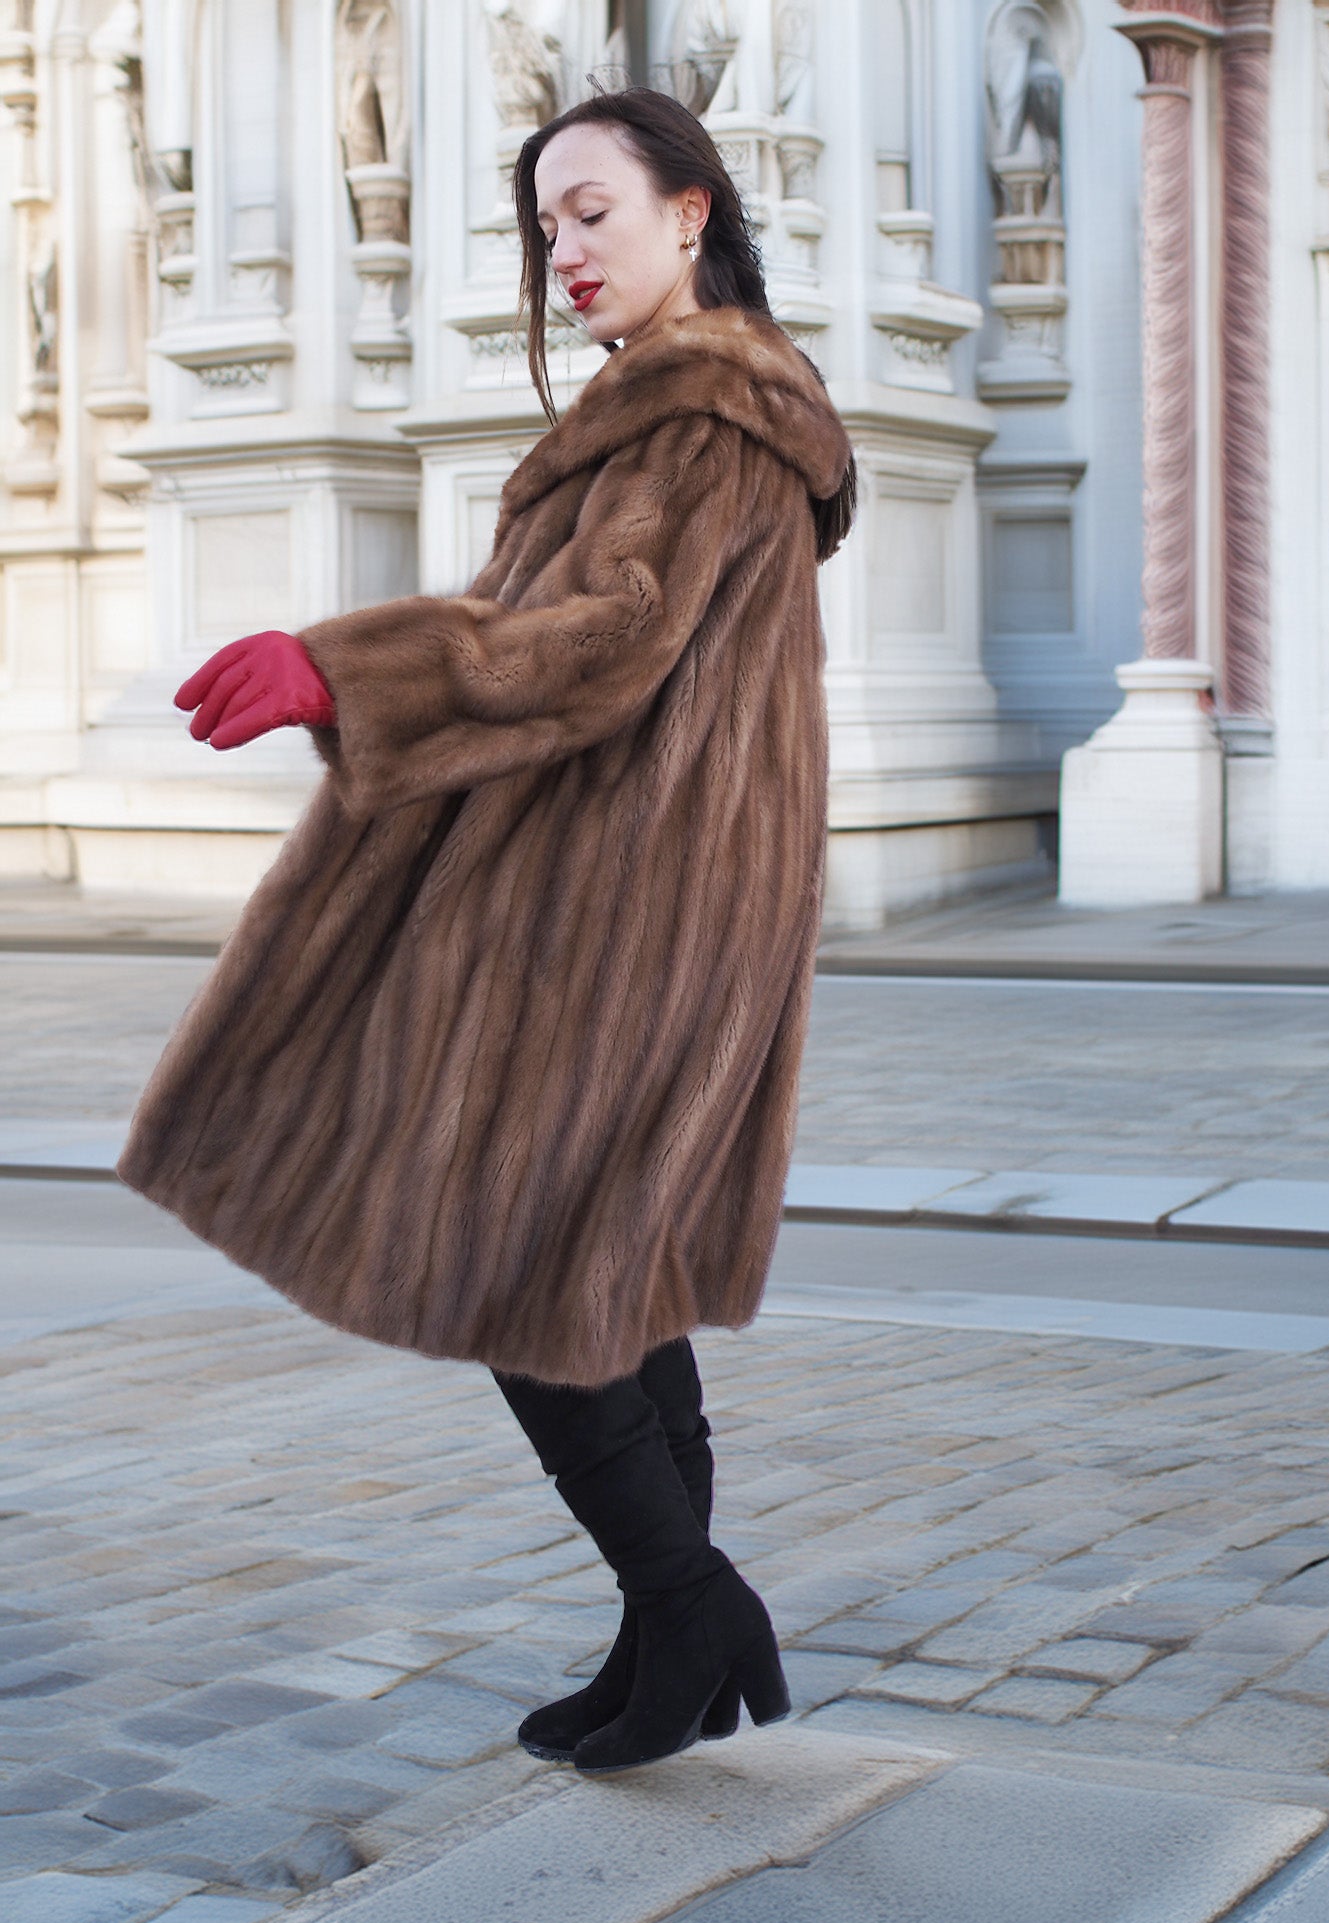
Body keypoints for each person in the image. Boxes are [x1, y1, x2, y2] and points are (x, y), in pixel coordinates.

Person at [116, 84, 856, 1776]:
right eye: (544, 227)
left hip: (614, 913)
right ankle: (664, 1629)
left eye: (593, 212)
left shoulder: (708, 418)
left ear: (690, 212)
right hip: (639, 898)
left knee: (520, 1264)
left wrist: (345, 667)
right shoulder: (682, 408)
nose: (565, 252)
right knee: (611, 1275)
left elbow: (603, 638)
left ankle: (689, 1601)